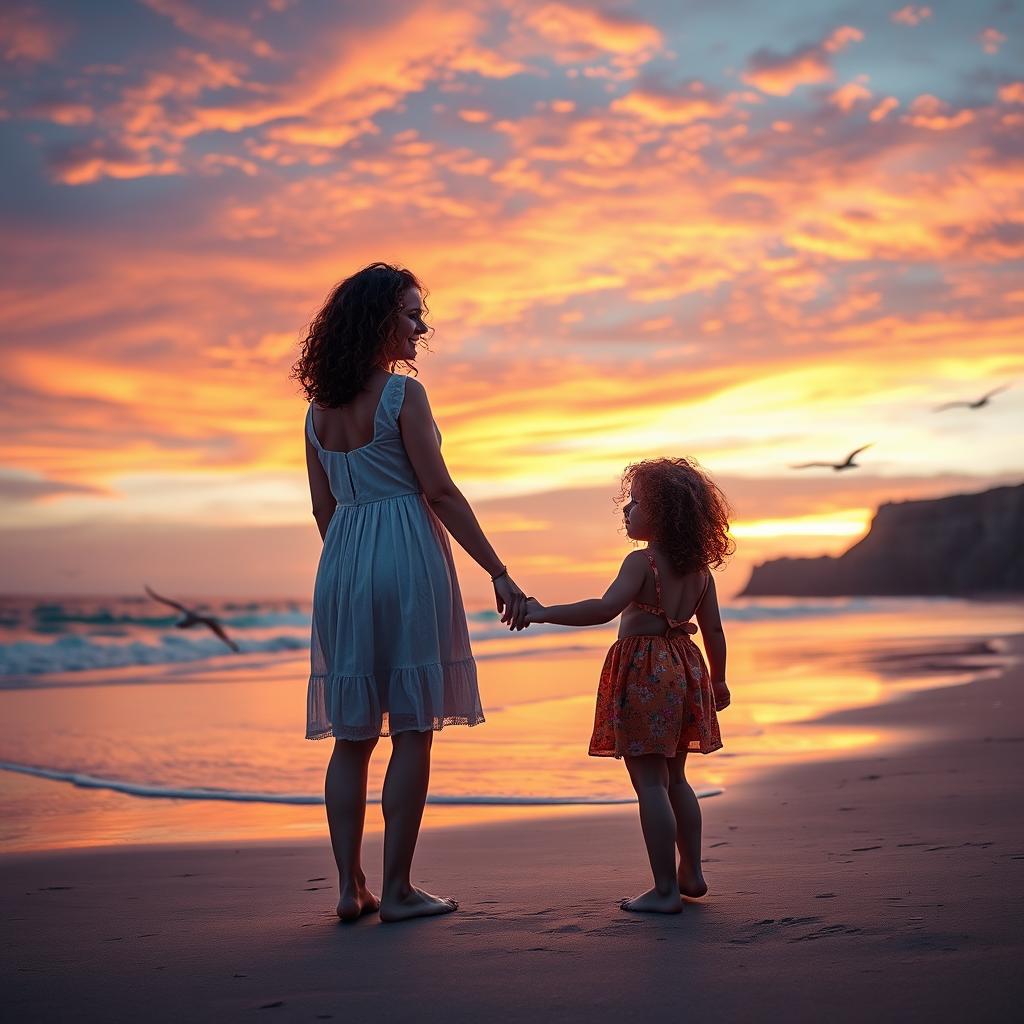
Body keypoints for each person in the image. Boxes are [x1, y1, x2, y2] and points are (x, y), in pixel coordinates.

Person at [292, 263, 528, 923]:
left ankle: (350, 888)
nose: (422, 326)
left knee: (352, 736)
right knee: (414, 727)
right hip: (406, 557)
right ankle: (396, 891)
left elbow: (322, 510)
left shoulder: (315, 413)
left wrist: (351, 568)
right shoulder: (402, 397)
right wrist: (497, 569)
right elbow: (441, 492)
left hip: (341, 566)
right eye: (412, 313)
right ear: (379, 320)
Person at [525, 457, 732, 914]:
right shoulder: (701, 571)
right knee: (676, 776)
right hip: (685, 670)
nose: (626, 510)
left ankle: (663, 891)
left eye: (636, 503)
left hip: (644, 674)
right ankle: (691, 871)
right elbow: (713, 631)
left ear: (663, 514)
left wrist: (542, 612)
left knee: (650, 785)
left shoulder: (642, 562)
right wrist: (717, 679)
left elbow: (603, 609)